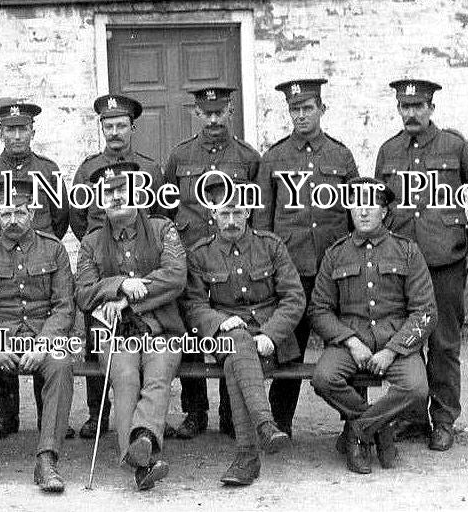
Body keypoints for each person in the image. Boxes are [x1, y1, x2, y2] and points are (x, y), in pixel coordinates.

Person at [374, 79, 468, 451]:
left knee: (443, 343)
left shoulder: (454, 146)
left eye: (419, 106)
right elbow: (377, 205)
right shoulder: (388, 151)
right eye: (405, 107)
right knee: (406, 340)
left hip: (445, 260)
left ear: (431, 108)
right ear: (398, 109)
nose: (412, 113)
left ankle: (443, 421)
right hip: (402, 265)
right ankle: (412, 418)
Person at [181, 178, 305, 486]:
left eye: (238, 212)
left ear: (248, 211)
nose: (232, 220)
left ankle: (248, 458)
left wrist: (271, 335)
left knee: (238, 361)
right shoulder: (200, 253)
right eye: (224, 213)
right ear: (213, 215)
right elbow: (193, 305)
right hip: (225, 334)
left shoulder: (271, 245)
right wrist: (219, 322)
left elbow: (294, 297)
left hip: (268, 343)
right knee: (237, 342)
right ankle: (265, 423)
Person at [310, 177, 438, 474]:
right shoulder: (336, 253)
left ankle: (359, 430)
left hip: (396, 339)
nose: (363, 211)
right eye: (357, 204)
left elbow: (425, 311)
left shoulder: (407, 251)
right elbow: (319, 309)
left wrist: (392, 351)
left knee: (416, 389)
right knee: (324, 379)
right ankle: (381, 429)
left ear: (384, 211)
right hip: (351, 340)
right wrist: (351, 342)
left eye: (371, 204)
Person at [0, 178, 75, 493]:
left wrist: (45, 344)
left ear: (31, 214)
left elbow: (64, 307)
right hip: (0, 337)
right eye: (6, 212)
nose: (13, 219)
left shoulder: (54, 249)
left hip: (42, 336)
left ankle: (47, 459)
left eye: (20, 212)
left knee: (61, 366)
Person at [74, 161, 187, 491]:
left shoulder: (163, 229)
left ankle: (139, 446)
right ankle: (140, 457)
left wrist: (130, 300)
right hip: (115, 332)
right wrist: (119, 283)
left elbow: (175, 277)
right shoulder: (92, 242)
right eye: (107, 193)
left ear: (138, 195)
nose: (115, 198)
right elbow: (83, 291)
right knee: (124, 378)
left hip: (162, 329)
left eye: (122, 191)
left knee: (157, 376)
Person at [259, 78, 359, 437]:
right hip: (292, 269)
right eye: (294, 109)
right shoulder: (274, 157)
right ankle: (278, 424)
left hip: (335, 269)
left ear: (321, 109)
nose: (300, 115)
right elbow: (262, 222)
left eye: (307, 108)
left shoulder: (341, 155)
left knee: (348, 342)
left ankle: (355, 426)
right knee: (289, 349)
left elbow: (355, 215)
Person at [164, 85, 262, 439]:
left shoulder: (248, 158)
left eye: (221, 112)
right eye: (208, 113)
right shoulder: (180, 156)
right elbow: (166, 207)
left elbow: (257, 211)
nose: (214, 119)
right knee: (192, 329)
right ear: (197, 114)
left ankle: (231, 412)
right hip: (191, 257)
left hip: (231, 257)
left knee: (228, 323)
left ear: (231, 112)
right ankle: (195, 412)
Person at [0, 98, 69, 441]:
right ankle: (8, 417)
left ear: (32, 131)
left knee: (39, 326)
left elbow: (60, 218)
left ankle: (49, 422)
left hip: (37, 257)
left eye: (22, 129)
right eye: (9, 129)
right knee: (3, 323)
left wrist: (39, 247)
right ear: (0, 132)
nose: (16, 135)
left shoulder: (48, 170)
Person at [70, 93, 164, 439]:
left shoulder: (150, 168)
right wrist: (96, 248)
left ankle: (145, 416)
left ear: (132, 127)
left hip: (141, 258)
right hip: (100, 261)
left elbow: (160, 216)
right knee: (98, 340)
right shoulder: (88, 168)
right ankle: (98, 414)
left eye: (121, 125)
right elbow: (77, 218)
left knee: (146, 333)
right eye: (108, 126)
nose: (114, 132)